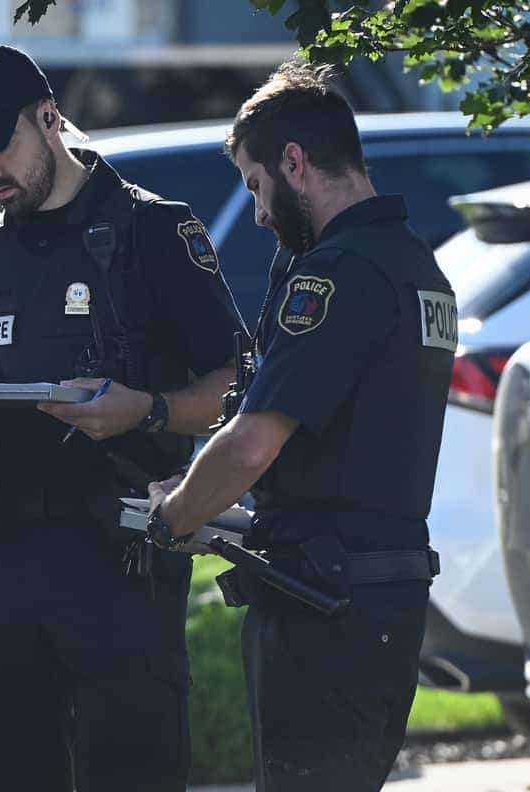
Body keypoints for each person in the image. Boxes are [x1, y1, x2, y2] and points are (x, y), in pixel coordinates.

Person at [0, 44, 248, 792]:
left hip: (119, 560)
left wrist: (146, 411)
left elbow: (237, 386)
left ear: (49, 117)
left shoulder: (153, 230)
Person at [145, 61, 453, 792]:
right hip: (386, 594)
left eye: (255, 186)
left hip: (326, 614)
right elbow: (353, 464)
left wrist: (176, 516)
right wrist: (227, 512)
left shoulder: (335, 277)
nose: (256, 213)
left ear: (294, 162)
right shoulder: (419, 267)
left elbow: (253, 442)